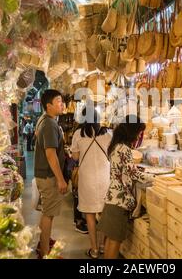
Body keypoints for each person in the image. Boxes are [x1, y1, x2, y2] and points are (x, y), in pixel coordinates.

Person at [97, 115, 154, 259]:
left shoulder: (116, 146)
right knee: (115, 242)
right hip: (119, 202)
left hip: (112, 199)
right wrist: (154, 178)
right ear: (132, 131)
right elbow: (132, 173)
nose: (139, 136)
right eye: (139, 133)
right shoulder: (124, 149)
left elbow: (125, 171)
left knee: (110, 240)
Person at [71, 107, 112, 259]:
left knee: (89, 213)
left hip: (87, 178)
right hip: (104, 178)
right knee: (103, 212)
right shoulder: (107, 134)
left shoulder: (78, 134)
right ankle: (102, 246)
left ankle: (94, 249)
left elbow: (75, 157)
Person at [34, 89, 68, 258]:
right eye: (59, 101)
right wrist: (61, 179)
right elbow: (50, 153)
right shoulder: (49, 124)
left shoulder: (44, 120)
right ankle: (45, 253)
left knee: (47, 211)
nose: (62, 104)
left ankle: (44, 243)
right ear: (49, 106)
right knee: (49, 214)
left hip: (44, 174)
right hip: (49, 176)